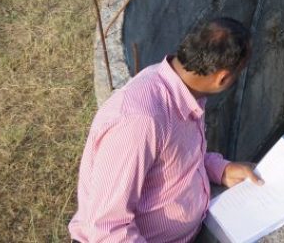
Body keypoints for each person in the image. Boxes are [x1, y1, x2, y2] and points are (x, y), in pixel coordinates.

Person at [68, 18, 263, 242]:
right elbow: (105, 228)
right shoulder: (139, 122)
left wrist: (220, 169)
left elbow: (176, 156)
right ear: (223, 78)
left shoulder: (182, 88)